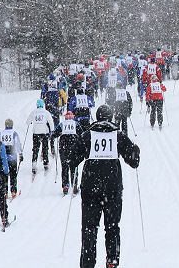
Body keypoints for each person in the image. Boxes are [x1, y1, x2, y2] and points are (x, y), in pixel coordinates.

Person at [72, 105, 140, 268]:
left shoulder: (87, 135)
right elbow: (133, 162)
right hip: (112, 187)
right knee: (112, 226)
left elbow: (73, 159)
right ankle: (112, 260)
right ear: (110, 117)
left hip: (90, 186)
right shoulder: (119, 135)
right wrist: (135, 151)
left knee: (89, 228)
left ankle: (87, 263)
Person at [51, 111, 84, 195]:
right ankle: (75, 185)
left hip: (64, 146)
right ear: (73, 117)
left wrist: (52, 137)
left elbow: (54, 134)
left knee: (64, 166)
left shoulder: (62, 124)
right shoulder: (76, 124)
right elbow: (82, 134)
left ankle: (65, 186)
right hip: (74, 146)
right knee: (73, 166)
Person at [26, 99, 55, 177]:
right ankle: (45, 163)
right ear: (43, 105)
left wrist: (30, 122)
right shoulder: (46, 112)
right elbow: (51, 121)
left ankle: (34, 163)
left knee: (35, 149)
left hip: (36, 133)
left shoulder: (33, 112)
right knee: (45, 148)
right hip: (44, 132)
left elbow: (27, 122)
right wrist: (52, 130)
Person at [0, 119, 23, 198]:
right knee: (13, 175)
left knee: (4, 175)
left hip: (3, 158)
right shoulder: (14, 134)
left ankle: (5, 192)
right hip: (12, 157)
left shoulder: (0, 134)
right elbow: (18, 144)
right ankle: (13, 191)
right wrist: (20, 154)